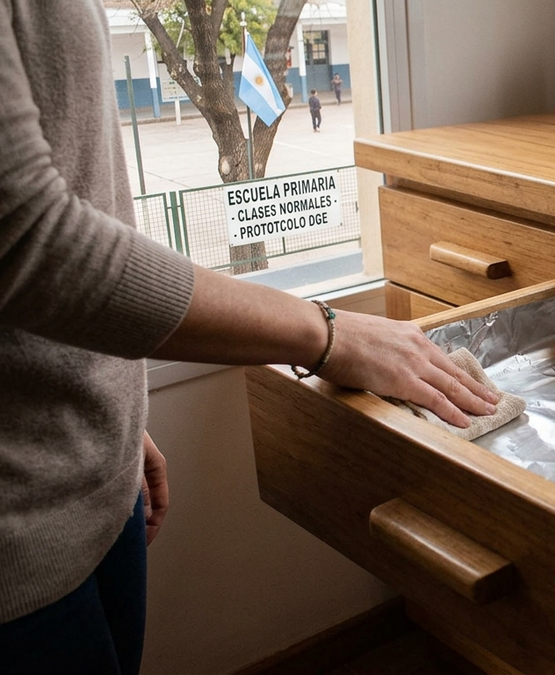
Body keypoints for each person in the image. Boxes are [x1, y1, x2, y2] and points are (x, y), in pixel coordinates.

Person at [0, 3, 498, 673]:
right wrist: (327, 332)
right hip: (18, 546)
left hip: (92, 467)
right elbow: (28, 244)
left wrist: (114, 408)